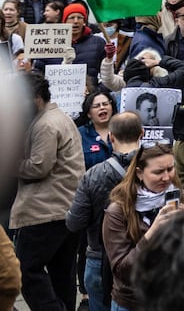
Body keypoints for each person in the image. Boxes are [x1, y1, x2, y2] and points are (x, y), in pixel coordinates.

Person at [14, 70, 86, 311]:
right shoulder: (56, 117)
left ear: (35, 97)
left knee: (25, 269)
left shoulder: (46, 124)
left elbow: (37, 167)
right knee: (61, 274)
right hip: (64, 209)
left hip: (45, 211)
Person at [101, 141, 184, 311]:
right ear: (139, 173)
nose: (167, 177)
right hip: (134, 303)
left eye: (170, 169)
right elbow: (122, 271)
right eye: (158, 172)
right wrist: (153, 231)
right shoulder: (118, 211)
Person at [66, 110, 144, 311]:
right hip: (146, 258)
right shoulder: (156, 169)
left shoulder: (94, 175)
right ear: (142, 133)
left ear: (111, 137)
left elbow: (74, 223)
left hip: (99, 258)